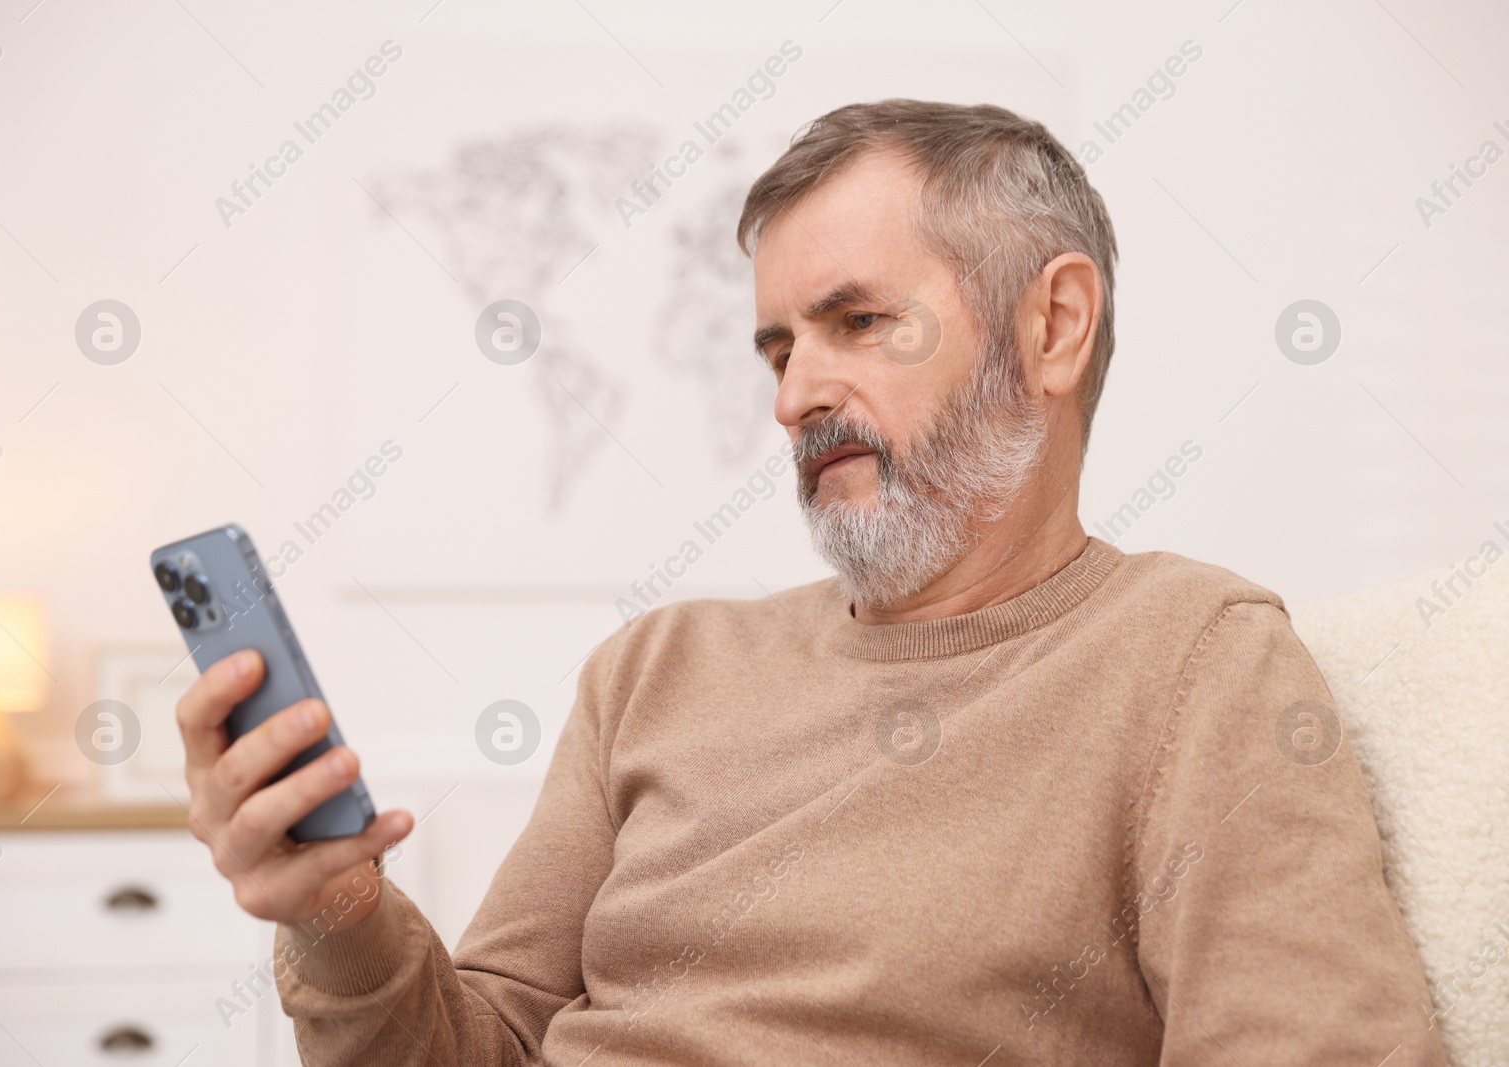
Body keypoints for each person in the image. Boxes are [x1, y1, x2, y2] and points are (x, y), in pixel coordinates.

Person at [176, 101, 1444, 1064]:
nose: (793, 396)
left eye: (858, 323)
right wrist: (339, 906)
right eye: (778, 345)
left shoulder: (1192, 656)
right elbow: (481, 1045)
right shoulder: (653, 668)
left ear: (1052, 327)